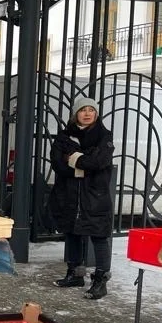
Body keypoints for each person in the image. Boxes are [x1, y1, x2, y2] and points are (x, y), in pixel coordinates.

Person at [48, 95, 115, 299]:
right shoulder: (64, 136)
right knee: (72, 233)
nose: (87, 114)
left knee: (99, 237)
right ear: (76, 113)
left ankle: (100, 281)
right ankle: (75, 274)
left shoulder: (104, 136)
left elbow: (99, 162)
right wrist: (83, 164)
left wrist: (75, 159)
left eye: (91, 110)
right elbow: (58, 164)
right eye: (83, 110)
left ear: (96, 114)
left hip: (95, 195)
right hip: (69, 194)